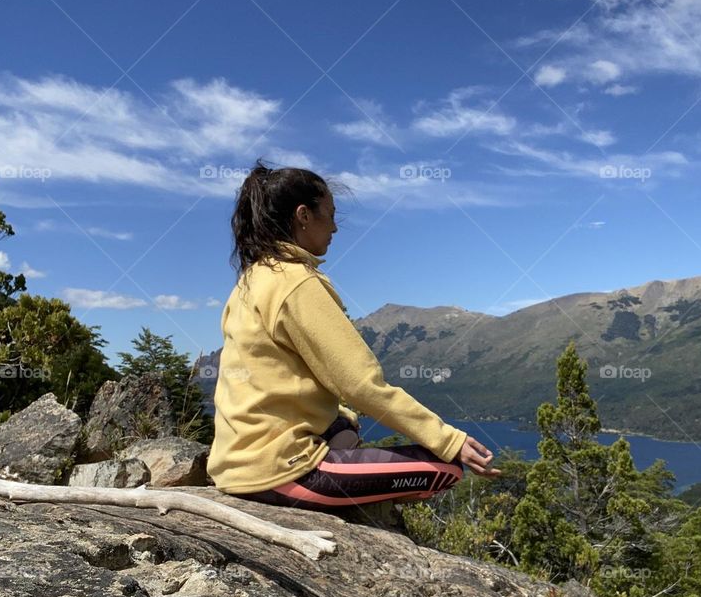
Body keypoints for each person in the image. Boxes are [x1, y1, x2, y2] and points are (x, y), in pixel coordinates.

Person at [206, 159, 500, 513]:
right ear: (303, 216)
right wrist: (449, 440)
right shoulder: (297, 283)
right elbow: (361, 385)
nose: (335, 228)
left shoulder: (251, 281)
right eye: (329, 214)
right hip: (282, 472)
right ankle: (358, 508)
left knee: (345, 424)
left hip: (234, 464)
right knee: (447, 468)